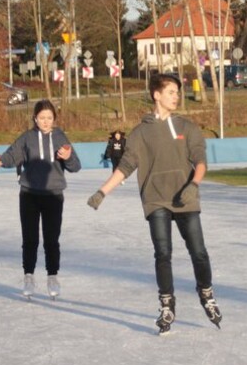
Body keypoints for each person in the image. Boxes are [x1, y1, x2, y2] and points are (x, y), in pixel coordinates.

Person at [87, 74, 222, 335]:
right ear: (156, 95)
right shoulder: (140, 133)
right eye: (171, 91)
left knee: (199, 252)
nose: (176, 96)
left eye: (177, 92)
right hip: (156, 199)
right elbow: (126, 167)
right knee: (163, 254)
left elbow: (201, 162)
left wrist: (193, 185)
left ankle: (206, 292)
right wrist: (102, 192)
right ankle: (167, 304)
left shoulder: (187, 127)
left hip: (186, 198)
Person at [0, 100, 82, 299]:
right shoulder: (27, 138)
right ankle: (28, 276)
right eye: (42, 118)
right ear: (35, 118)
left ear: (54, 119)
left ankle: (52, 276)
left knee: (52, 240)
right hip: (29, 194)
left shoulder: (60, 137)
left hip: (53, 195)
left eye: (49, 118)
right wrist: (1, 160)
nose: (45, 121)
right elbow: (12, 155)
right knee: (30, 238)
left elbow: (75, 166)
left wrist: (67, 156)